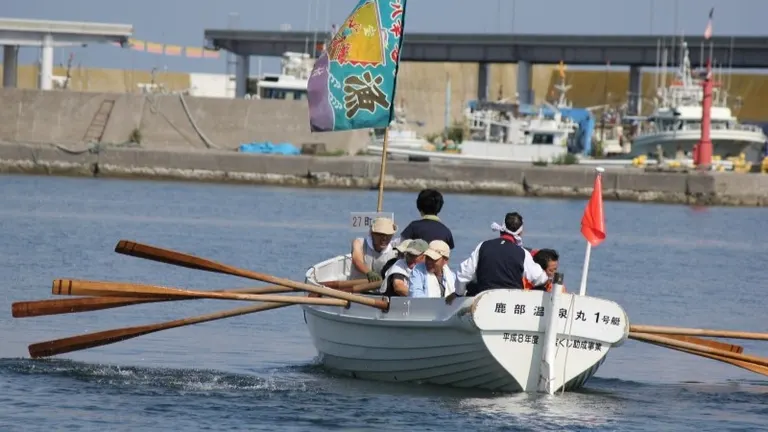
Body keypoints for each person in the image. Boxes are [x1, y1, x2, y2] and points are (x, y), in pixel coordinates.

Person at [450, 212, 548, 300]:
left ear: (502, 228)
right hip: (512, 303)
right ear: (520, 233)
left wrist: (459, 294)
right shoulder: (523, 253)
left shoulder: (483, 246)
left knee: (471, 284)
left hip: (484, 300)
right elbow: (540, 278)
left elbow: (464, 274)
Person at [350, 217, 399, 283]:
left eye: (388, 235)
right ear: (372, 233)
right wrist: (368, 272)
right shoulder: (359, 243)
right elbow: (357, 260)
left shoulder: (394, 252)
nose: (384, 238)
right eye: (380, 234)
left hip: (379, 291)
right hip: (356, 289)